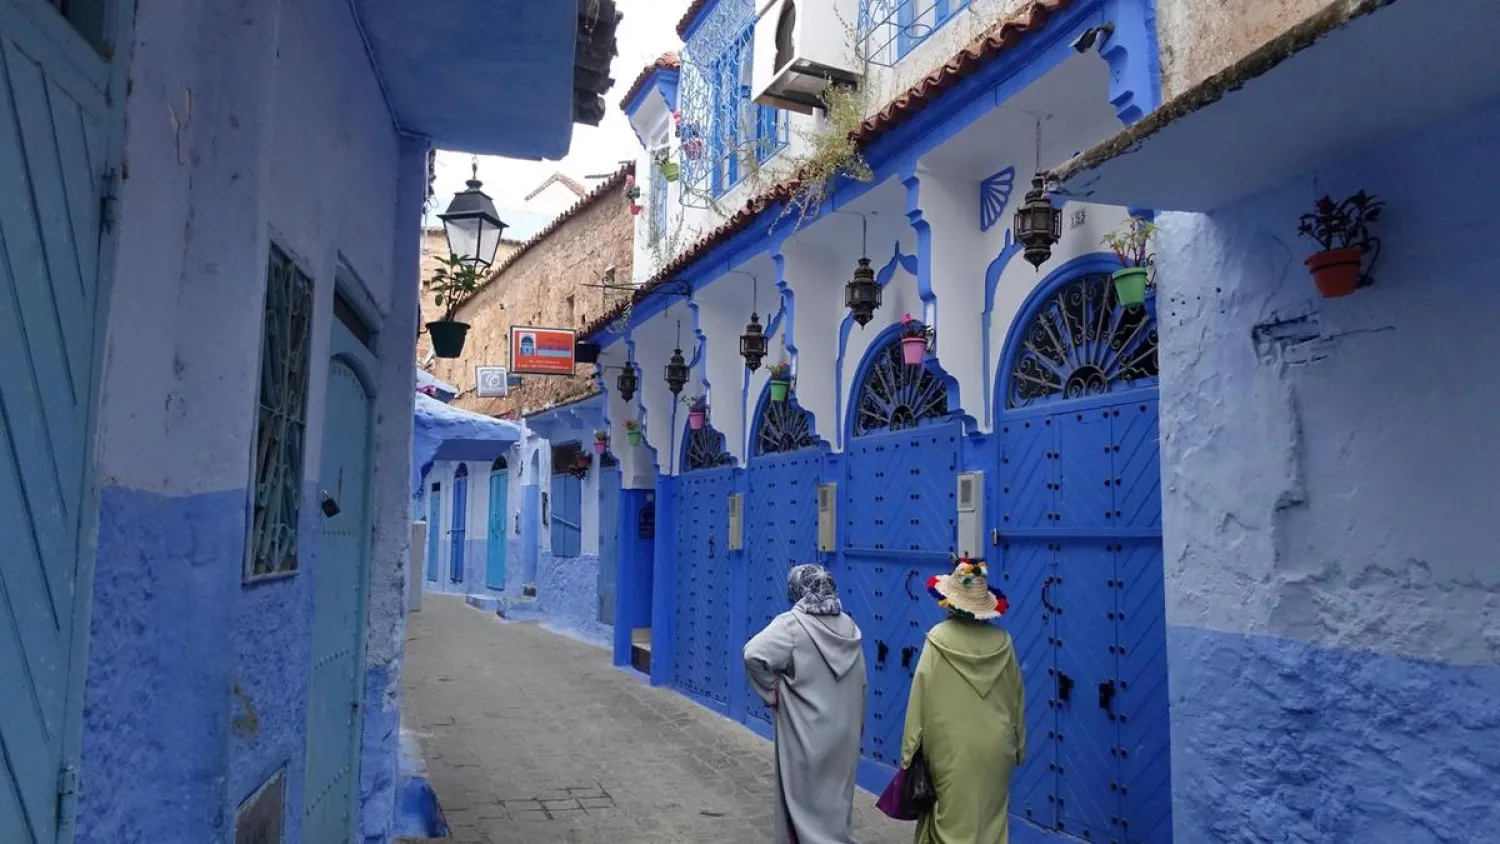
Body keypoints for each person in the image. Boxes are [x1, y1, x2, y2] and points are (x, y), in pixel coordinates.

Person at [899, 556, 1025, 844]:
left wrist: (908, 753)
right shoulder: (1004, 644)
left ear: (950, 602)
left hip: (950, 751)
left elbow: (920, 697)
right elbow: (1016, 697)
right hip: (996, 749)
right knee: (991, 822)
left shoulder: (937, 640)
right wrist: (1019, 746)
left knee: (951, 826)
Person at [744, 563, 867, 844]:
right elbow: (862, 682)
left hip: (805, 732)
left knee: (800, 800)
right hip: (843, 733)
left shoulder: (792, 625)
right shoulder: (849, 626)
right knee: (837, 801)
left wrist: (774, 691)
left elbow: (753, 655)